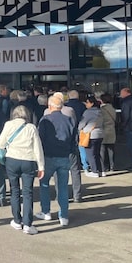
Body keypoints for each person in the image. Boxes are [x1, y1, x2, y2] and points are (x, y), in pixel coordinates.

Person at [0, 105, 44, 235]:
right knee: (28, 193)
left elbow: (0, 142)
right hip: (28, 160)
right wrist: (41, 166)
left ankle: (17, 220)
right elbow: (37, 148)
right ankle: (28, 224)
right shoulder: (31, 128)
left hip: (12, 160)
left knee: (14, 190)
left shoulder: (8, 125)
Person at [36, 95, 76, 227]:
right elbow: (73, 140)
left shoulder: (45, 120)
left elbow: (40, 140)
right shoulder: (69, 120)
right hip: (64, 156)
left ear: (50, 106)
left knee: (44, 184)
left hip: (48, 157)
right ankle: (64, 215)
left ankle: (46, 211)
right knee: (63, 187)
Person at [79, 96, 104, 178]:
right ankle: (101, 170)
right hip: (100, 133)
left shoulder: (87, 112)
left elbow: (82, 123)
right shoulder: (100, 111)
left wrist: (79, 129)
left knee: (90, 154)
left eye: (87, 102)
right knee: (97, 153)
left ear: (91, 103)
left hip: (90, 134)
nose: (86, 104)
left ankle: (94, 171)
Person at [99, 93, 117, 172]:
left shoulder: (102, 109)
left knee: (102, 150)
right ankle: (112, 166)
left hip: (103, 130)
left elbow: (100, 120)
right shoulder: (113, 109)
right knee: (111, 150)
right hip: (112, 130)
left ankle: (103, 167)